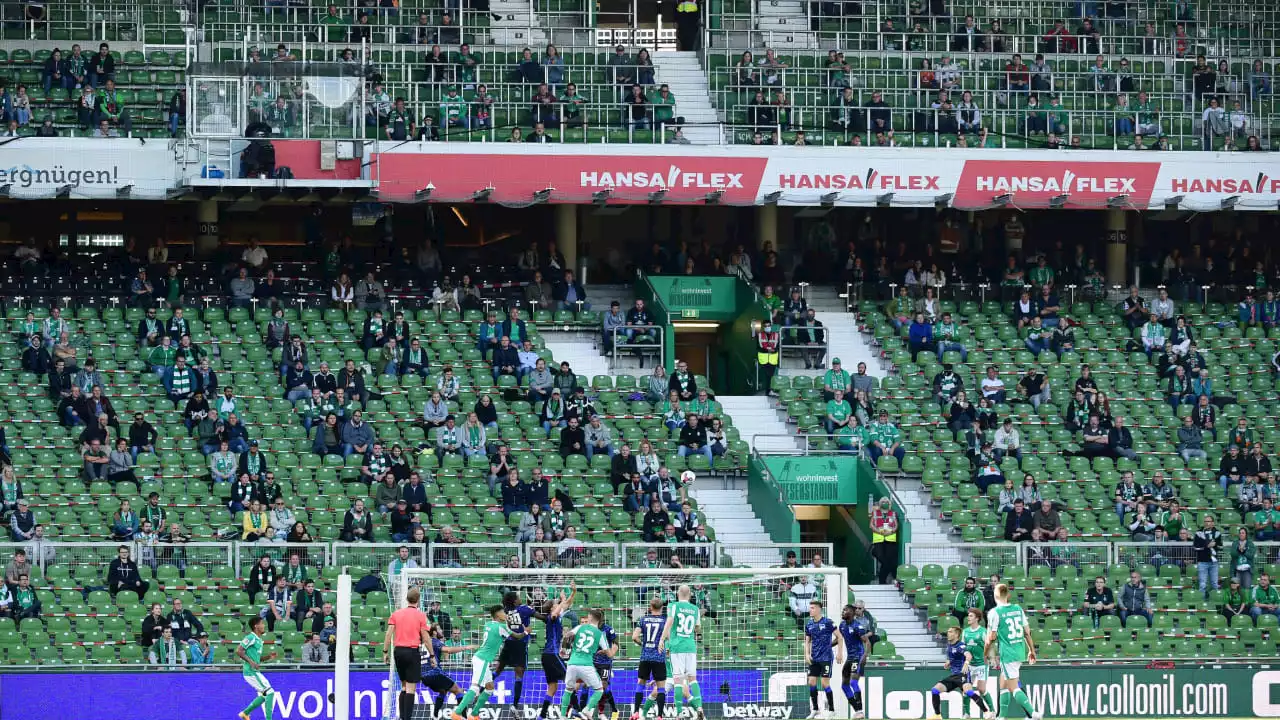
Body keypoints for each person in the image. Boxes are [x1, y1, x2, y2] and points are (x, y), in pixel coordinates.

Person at [983, 583, 1041, 720]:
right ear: (1008, 595)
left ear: (995, 595)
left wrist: (985, 654)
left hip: (1008, 654)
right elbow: (1027, 633)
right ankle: (1001, 716)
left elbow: (990, 638)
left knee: (1013, 687)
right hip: (1019, 651)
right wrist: (1031, 651)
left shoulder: (994, 613)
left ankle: (1033, 714)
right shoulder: (1017, 609)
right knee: (1003, 683)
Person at [450, 605, 511, 720]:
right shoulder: (501, 626)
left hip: (480, 658)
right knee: (475, 687)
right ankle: (457, 713)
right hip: (483, 659)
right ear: (498, 614)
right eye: (503, 612)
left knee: (490, 687)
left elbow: (500, 636)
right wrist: (524, 631)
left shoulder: (488, 624)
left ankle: (474, 714)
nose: (505, 614)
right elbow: (514, 636)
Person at [384, 586, 433, 720]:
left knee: (404, 686)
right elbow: (426, 638)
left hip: (398, 652)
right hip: (412, 652)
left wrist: (385, 652)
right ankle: (407, 718)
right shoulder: (421, 615)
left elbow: (388, 634)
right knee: (411, 689)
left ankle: (401, 717)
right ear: (418, 599)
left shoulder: (396, 614)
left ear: (407, 599)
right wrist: (432, 655)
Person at [659, 584, 704, 720]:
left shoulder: (673, 606)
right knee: (693, 679)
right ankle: (700, 707)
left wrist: (662, 639)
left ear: (678, 593)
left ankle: (679, 713)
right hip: (690, 647)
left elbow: (670, 621)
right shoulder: (695, 609)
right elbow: (698, 628)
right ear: (690, 594)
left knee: (677, 680)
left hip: (677, 647)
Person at [559, 609, 615, 719]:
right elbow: (609, 654)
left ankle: (562, 716)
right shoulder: (600, 634)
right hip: (586, 665)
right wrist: (604, 651)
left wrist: (564, 650)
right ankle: (587, 709)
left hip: (572, 664)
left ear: (590, 617)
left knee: (568, 690)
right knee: (599, 690)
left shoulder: (580, 627)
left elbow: (567, 635)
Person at [927, 625, 991, 720]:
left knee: (969, 692)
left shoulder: (960, 645)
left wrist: (966, 662)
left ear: (956, 634)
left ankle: (986, 712)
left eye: (951, 632)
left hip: (963, 674)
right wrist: (949, 662)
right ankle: (937, 715)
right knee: (935, 690)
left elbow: (968, 655)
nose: (948, 633)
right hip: (954, 675)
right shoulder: (949, 645)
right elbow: (952, 657)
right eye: (948, 631)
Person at [422, 624, 479, 718]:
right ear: (434, 632)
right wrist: (466, 647)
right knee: (458, 690)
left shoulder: (423, 643)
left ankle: (435, 717)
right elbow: (448, 650)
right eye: (439, 629)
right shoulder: (435, 641)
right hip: (435, 673)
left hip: (423, 676)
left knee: (442, 691)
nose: (442, 631)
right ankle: (464, 717)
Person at [804, 599, 846, 718]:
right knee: (811, 682)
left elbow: (840, 637)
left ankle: (832, 710)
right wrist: (807, 654)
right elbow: (807, 641)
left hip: (826, 657)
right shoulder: (809, 624)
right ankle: (815, 709)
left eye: (812, 608)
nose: (810, 610)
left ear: (818, 609)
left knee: (824, 683)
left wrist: (839, 653)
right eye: (810, 607)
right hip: (814, 658)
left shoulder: (828, 622)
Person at [236, 616, 280, 720]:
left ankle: (245, 713)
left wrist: (268, 657)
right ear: (256, 626)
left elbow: (256, 659)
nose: (264, 625)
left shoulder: (259, 640)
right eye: (262, 623)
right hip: (250, 671)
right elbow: (239, 651)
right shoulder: (251, 637)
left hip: (254, 671)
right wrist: (251, 662)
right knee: (270, 692)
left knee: (265, 694)